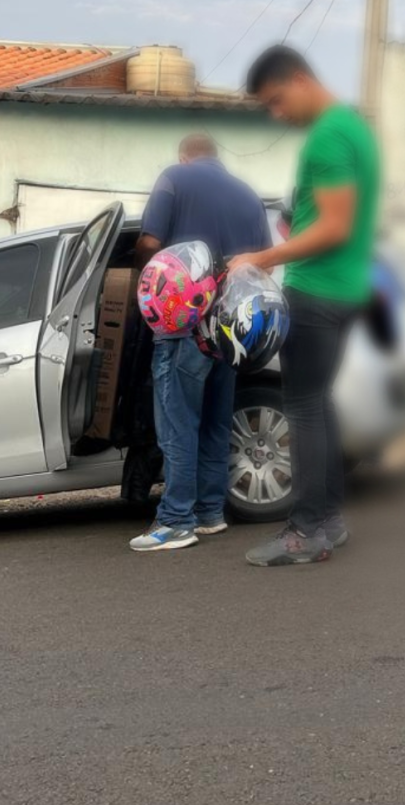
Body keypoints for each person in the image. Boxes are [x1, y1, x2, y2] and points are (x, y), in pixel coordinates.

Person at [229, 45, 381, 567]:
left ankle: (305, 531)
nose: (276, 114)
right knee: (322, 407)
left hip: (318, 292)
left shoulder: (327, 137)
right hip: (348, 289)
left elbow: (335, 226)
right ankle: (330, 521)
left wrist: (262, 257)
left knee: (304, 411)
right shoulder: (357, 127)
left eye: (275, 101)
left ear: (298, 79)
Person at [128, 133, 272, 552]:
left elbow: (149, 243)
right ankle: (210, 512)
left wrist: (145, 289)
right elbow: (263, 265)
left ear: (184, 155)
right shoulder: (249, 195)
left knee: (177, 424)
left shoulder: (175, 178)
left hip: (182, 326)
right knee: (213, 422)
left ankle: (175, 520)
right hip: (230, 332)